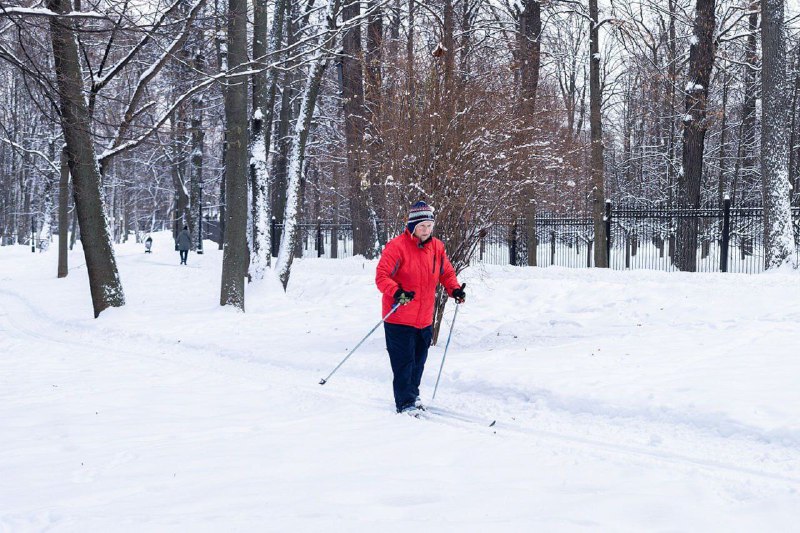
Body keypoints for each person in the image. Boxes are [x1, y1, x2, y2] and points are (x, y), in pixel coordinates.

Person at [375, 201, 466, 415]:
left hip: (424, 318)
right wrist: (397, 292)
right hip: (399, 316)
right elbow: (381, 277)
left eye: (429, 225)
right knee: (403, 362)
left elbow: (446, 273)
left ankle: (413, 396)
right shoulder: (396, 247)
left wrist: (454, 290)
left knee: (418, 362)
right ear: (412, 226)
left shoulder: (437, 247)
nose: (426, 230)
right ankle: (404, 403)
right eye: (421, 226)